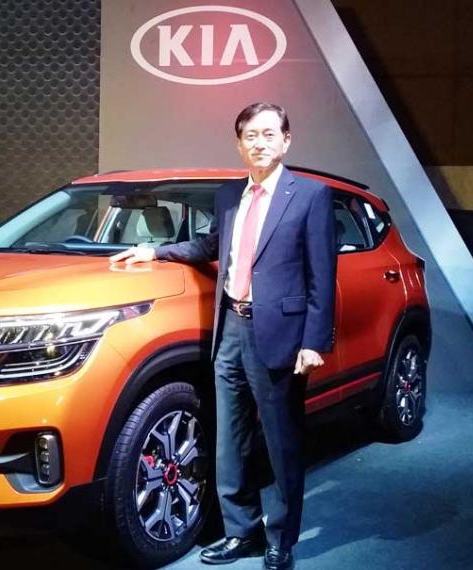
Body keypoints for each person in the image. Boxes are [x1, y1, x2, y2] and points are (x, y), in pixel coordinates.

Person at [110, 102, 336, 569]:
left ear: (286, 140)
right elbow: (212, 246)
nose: (260, 143)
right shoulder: (229, 195)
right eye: (251, 136)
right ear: (239, 144)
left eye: (269, 134)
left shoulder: (311, 195)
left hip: (280, 334)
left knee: (282, 442)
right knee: (230, 440)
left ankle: (281, 539)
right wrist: (156, 253)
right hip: (230, 327)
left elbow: (322, 275)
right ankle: (241, 532)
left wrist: (314, 342)